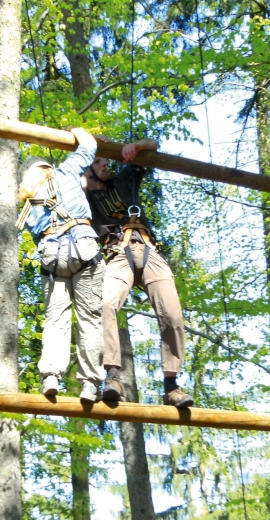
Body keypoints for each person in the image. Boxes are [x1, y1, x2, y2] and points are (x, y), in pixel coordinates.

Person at [82, 138, 193, 408]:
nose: (105, 164)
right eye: (98, 162)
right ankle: (113, 376)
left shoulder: (124, 180)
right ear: (86, 170)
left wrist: (138, 146)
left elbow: (153, 144)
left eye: (105, 159)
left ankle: (171, 385)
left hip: (149, 249)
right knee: (105, 304)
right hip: (116, 253)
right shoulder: (82, 197)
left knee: (173, 313)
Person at [18, 127, 105, 402]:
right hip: (84, 247)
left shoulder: (28, 205)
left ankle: (51, 377)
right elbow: (89, 146)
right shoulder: (65, 172)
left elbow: (35, 237)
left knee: (55, 321)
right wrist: (78, 133)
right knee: (89, 320)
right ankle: (90, 383)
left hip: (53, 258)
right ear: (48, 168)